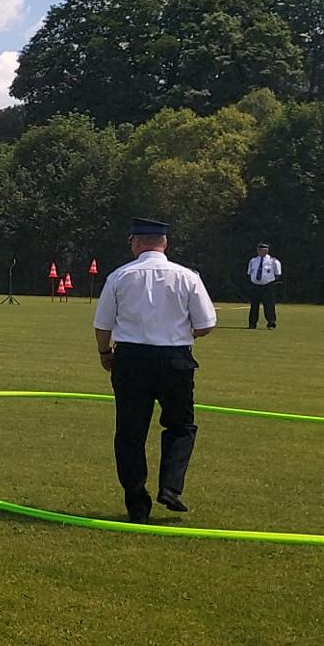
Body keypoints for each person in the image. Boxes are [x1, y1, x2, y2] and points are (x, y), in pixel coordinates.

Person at [93, 218, 216, 524]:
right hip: (174, 360)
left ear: (136, 242)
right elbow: (205, 324)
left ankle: (137, 504)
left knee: (130, 433)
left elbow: (102, 324)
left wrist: (105, 353)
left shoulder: (120, 276)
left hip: (131, 360)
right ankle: (171, 487)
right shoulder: (187, 277)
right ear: (165, 244)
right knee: (180, 426)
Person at [245, 242, 283, 330]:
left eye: (263, 250)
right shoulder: (253, 261)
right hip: (255, 286)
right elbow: (249, 273)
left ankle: (271, 323)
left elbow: (277, 274)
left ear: (267, 251)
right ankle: (252, 324)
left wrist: (269, 282)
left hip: (268, 286)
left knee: (269, 305)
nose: (260, 252)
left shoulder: (273, 261)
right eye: (259, 250)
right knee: (254, 305)